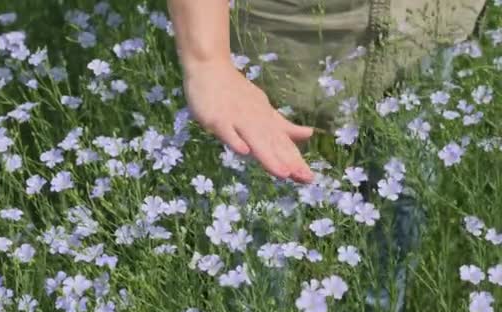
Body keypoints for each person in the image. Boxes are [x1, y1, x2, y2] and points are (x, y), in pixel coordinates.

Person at [166, 0, 486, 182]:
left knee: (406, 186)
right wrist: (208, 61)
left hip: (433, 19)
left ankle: (385, 300)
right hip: (290, 30)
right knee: (264, 201)